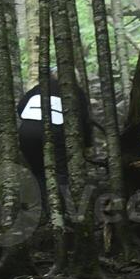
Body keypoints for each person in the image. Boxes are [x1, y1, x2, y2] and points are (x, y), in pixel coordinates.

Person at [16, 69, 92, 205]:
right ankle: (62, 209)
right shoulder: (75, 91)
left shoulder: (39, 88)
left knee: (38, 171)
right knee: (61, 171)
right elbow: (84, 120)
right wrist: (87, 144)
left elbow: (21, 107)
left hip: (27, 132)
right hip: (55, 130)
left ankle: (44, 207)